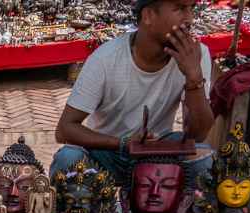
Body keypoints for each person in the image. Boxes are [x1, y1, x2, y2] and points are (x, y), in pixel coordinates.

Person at [51, 0, 214, 188]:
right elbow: (64, 129)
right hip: (110, 153)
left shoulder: (195, 55)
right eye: (179, 9)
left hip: (158, 153)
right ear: (148, 16)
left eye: (191, 9)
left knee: (205, 158)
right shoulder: (106, 59)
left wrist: (194, 78)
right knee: (67, 159)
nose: (190, 18)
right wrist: (123, 143)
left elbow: (198, 134)